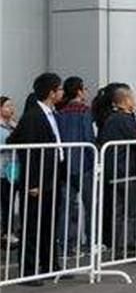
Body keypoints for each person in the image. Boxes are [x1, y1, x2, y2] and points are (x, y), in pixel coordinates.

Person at [7, 73, 67, 285]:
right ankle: (28, 270)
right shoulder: (33, 116)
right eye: (60, 89)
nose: (62, 92)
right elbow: (29, 151)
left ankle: (50, 265)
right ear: (51, 92)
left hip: (52, 176)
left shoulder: (52, 114)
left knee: (50, 223)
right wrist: (32, 183)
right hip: (37, 180)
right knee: (32, 225)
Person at [96, 86, 136, 256]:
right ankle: (127, 245)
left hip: (114, 171)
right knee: (130, 211)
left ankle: (118, 245)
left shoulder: (110, 119)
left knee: (118, 211)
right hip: (128, 170)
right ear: (126, 100)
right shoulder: (125, 119)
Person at [55, 76, 95, 254]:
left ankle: (65, 245)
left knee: (66, 207)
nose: (86, 92)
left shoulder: (60, 112)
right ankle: (91, 242)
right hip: (84, 164)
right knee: (90, 205)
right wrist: (95, 159)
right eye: (84, 88)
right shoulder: (84, 111)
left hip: (65, 165)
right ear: (79, 91)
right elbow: (88, 137)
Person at [0, 96, 19, 248]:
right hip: (2, 168)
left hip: (15, 167)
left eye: (11, 106)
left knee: (11, 200)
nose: (11, 109)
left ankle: (10, 231)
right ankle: (6, 232)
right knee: (5, 201)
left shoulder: (14, 124)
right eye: (7, 106)